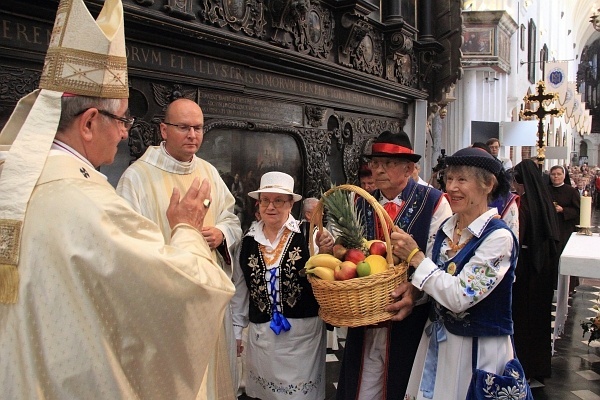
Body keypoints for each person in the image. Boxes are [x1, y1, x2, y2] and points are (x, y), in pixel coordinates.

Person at [0, 0, 235, 398]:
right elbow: (179, 287)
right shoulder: (87, 198)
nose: (126, 133)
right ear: (90, 122)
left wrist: (220, 233)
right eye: (123, 119)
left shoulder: (21, 181)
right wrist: (186, 229)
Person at [116, 98, 243, 399]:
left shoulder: (209, 172)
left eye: (198, 128)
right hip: (166, 300)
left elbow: (231, 218)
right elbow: (126, 245)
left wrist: (221, 234)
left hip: (207, 296)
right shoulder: (137, 178)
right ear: (164, 129)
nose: (193, 135)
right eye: (184, 127)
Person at [390, 147, 520, 399]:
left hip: (477, 348)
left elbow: (460, 296)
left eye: (462, 179)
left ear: (488, 184)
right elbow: (439, 278)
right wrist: (415, 293)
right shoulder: (449, 227)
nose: (451, 187)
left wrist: (416, 257)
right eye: (449, 179)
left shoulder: (498, 238)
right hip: (440, 341)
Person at [336, 131, 452, 400]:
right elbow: (349, 250)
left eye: (387, 164)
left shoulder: (434, 202)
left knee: (402, 383)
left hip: (409, 318)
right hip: (365, 313)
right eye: (375, 163)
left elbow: (442, 259)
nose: (378, 170)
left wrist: (415, 291)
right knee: (361, 383)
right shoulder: (360, 200)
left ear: (409, 168)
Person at [231, 171, 335, 400]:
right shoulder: (247, 242)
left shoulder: (310, 234)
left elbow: (330, 274)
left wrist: (328, 248)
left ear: (290, 204)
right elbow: (240, 292)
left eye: (279, 200)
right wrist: (237, 331)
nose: (271, 207)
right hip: (263, 338)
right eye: (266, 200)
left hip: (302, 340)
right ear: (258, 204)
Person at [511, 159, 560, 381]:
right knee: (540, 320)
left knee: (524, 320)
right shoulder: (545, 201)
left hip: (527, 269)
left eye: (516, 182)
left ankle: (525, 367)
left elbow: (518, 237)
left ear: (522, 183)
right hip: (544, 268)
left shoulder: (525, 205)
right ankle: (540, 367)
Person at [548, 165, 581, 293]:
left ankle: (569, 286)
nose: (556, 176)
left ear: (564, 175)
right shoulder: (546, 190)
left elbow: (578, 211)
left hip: (565, 229)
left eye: (558, 174)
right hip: (551, 228)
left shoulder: (571, 191)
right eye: (553, 174)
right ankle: (552, 284)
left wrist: (563, 210)